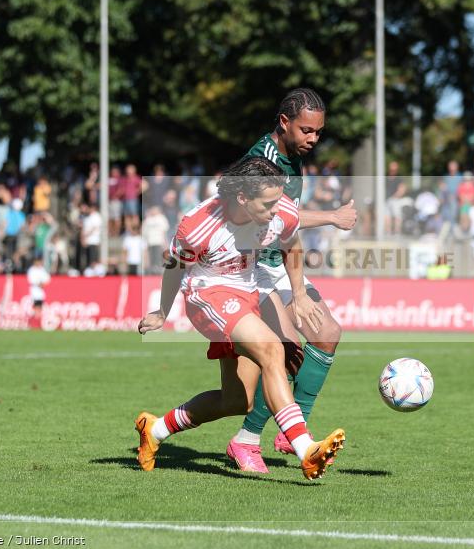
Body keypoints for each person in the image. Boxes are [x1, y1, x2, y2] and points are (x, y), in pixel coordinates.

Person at [135, 157, 345, 480]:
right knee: (273, 350)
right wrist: (162, 311)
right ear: (242, 199)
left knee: (237, 401)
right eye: (269, 204)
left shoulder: (280, 210)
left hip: (248, 291)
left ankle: (156, 429)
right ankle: (306, 450)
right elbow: (175, 267)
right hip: (208, 295)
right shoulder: (199, 225)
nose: (277, 209)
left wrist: (300, 293)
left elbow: (292, 241)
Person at [224, 88, 356, 474]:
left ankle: (287, 432)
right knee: (287, 352)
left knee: (328, 332)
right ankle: (246, 440)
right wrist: (332, 216)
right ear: (284, 123)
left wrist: (299, 291)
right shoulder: (263, 161)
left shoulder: (292, 156)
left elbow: (288, 224)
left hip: (278, 262)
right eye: (306, 130)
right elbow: (284, 215)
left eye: (318, 132)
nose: (313, 139)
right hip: (251, 270)